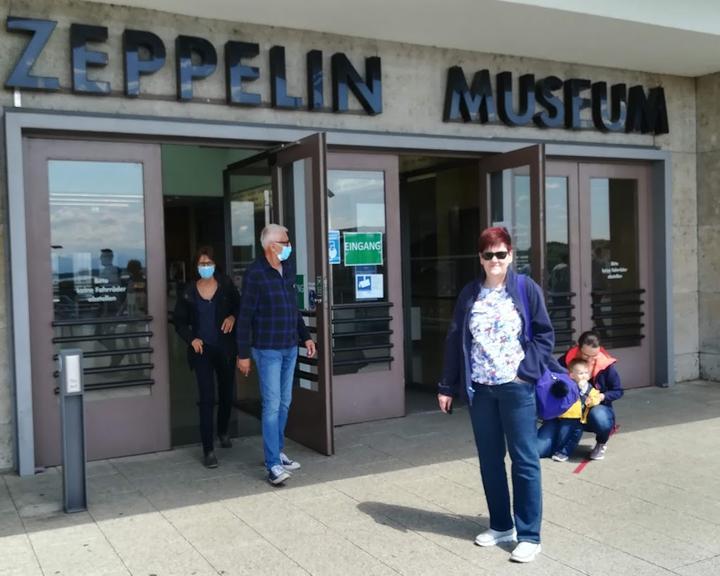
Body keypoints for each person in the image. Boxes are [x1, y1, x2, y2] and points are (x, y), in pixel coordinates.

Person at [437, 226, 555, 563]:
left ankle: (529, 535)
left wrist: (526, 372)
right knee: (490, 461)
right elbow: (455, 339)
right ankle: (502, 525)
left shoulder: (524, 288)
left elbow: (545, 334)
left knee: (524, 460)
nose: (495, 260)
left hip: (516, 388)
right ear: (480, 257)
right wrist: (447, 385)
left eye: (500, 254)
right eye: (488, 255)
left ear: (511, 255)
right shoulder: (470, 294)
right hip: (481, 390)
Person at [235, 224, 316, 486]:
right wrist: (243, 353)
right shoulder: (255, 273)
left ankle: (278, 452)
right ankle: (272, 465)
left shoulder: (288, 270)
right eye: (286, 241)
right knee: (271, 405)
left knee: (284, 402)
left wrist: (305, 337)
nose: (289, 245)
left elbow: (292, 308)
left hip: (289, 345)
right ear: (272, 245)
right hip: (267, 348)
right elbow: (245, 315)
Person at [174, 246, 239, 469]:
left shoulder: (226, 285)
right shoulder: (189, 291)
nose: (205, 267)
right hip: (202, 351)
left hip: (225, 348)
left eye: (208, 263)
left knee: (227, 393)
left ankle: (222, 430)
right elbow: (179, 321)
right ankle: (208, 449)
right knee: (206, 398)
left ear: (215, 264)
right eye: (201, 264)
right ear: (196, 267)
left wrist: (232, 316)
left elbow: (240, 308)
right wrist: (191, 339)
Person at [559, 330, 623, 460]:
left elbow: (618, 390)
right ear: (578, 347)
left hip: (595, 407)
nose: (590, 359)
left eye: (594, 356)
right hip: (570, 408)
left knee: (600, 418)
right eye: (586, 355)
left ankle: (601, 442)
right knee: (543, 449)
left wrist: (602, 397)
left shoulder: (606, 366)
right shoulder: (566, 359)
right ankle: (561, 445)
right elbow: (553, 378)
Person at [536, 358, 601, 462]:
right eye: (580, 373)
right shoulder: (566, 383)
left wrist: (593, 400)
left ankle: (563, 452)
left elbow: (595, 396)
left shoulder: (588, 388)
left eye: (586, 373)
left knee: (568, 436)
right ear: (571, 375)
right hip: (557, 418)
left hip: (575, 420)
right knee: (557, 438)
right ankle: (553, 449)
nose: (584, 375)